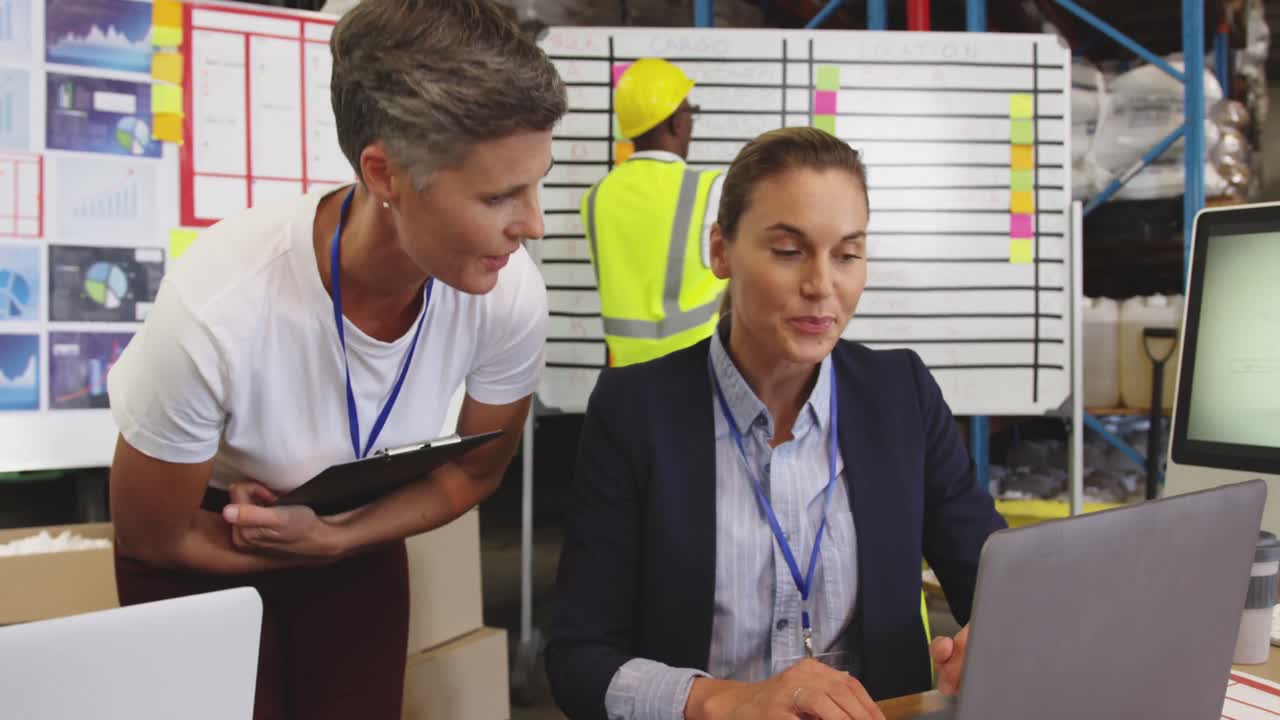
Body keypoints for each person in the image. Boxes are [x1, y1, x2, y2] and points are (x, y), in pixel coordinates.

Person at [104, 1, 566, 718]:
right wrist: (302, 544)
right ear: (384, 173)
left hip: (356, 536)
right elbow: (148, 533)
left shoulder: (508, 296)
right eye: (500, 194)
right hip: (198, 547)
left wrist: (341, 537)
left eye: (537, 183)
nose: (532, 223)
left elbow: (476, 471)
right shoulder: (221, 302)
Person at [546, 127, 1007, 720]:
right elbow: (579, 658)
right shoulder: (636, 410)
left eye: (846, 254)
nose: (821, 286)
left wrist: (993, 641)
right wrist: (723, 700)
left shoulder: (901, 395)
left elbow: (995, 578)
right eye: (789, 252)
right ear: (720, 251)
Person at [581, 58, 726, 367]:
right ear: (676, 121)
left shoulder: (596, 197)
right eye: (690, 113)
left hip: (624, 376)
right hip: (696, 373)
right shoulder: (710, 188)